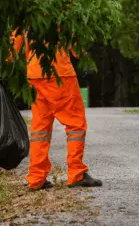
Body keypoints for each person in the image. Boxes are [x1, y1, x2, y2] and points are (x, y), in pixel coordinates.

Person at [10, 30, 102, 190]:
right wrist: (83, 54)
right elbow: (75, 43)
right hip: (60, 74)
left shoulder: (26, 9)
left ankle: (36, 178)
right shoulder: (62, 6)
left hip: (35, 76)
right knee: (75, 125)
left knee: (40, 129)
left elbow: (12, 49)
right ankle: (76, 173)